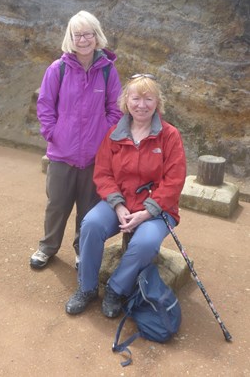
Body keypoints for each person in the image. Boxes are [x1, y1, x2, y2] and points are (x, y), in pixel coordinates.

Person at [65, 74, 187, 317]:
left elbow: (174, 180)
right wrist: (119, 206)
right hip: (118, 204)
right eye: (136, 98)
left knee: (145, 243)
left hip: (156, 209)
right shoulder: (115, 133)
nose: (142, 105)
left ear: (157, 102)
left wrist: (146, 212)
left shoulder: (169, 135)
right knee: (90, 224)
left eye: (148, 99)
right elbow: (103, 173)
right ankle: (87, 287)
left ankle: (116, 288)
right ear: (126, 101)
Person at [30, 10, 122, 270]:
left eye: (87, 34)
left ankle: (82, 250)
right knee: (57, 205)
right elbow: (45, 105)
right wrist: (53, 133)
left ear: (96, 36)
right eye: (77, 34)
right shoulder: (57, 69)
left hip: (95, 156)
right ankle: (47, 248)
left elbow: (115, 109)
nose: (83, 39)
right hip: (61, 153)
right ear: (70, 38)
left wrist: (104, 135)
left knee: (88, 209)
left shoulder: (107, 71)